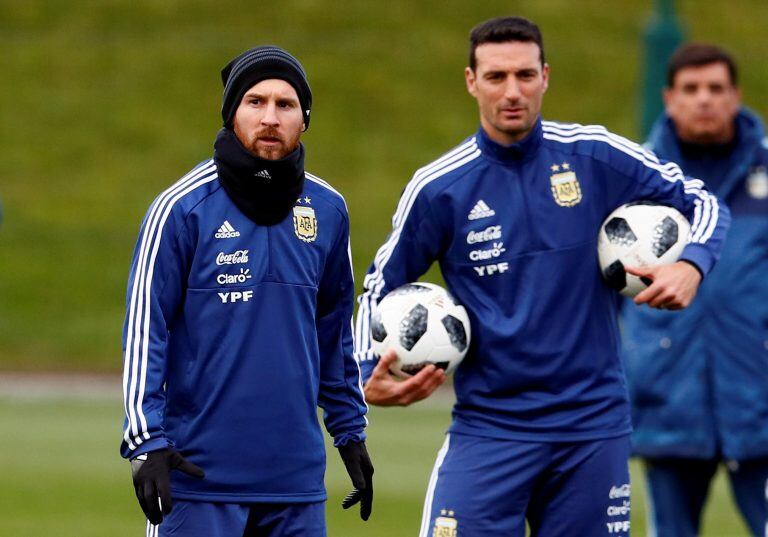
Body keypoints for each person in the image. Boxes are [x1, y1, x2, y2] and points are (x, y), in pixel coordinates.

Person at [354, 17, 730, 537]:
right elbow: (379, 284)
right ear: (471, 81)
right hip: (492, 429)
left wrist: (692, 264)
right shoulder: (440, 188)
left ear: (546, 77)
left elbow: (702, 200)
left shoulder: (595, 155)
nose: (513, 91)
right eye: (496, 77)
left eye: (525, 75)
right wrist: (364, 371)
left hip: (592, 430)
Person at [120, 46, 373, 537]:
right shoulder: (182, 208)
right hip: (198, 480)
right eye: (255, 102)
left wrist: (350, 432)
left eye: (286, 104)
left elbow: (334, 333)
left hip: (295, 483)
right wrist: (146, 441)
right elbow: (144, 330)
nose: (271, 117)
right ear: (232, 112)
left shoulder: (327, 209)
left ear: (305, 118)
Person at [621, 43, 768, 537]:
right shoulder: (632, 180)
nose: (703, 99)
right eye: (690, 89)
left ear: (736, 95)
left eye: (715, 88)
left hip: (760, 396)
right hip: (669, 400)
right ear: (668, 97)